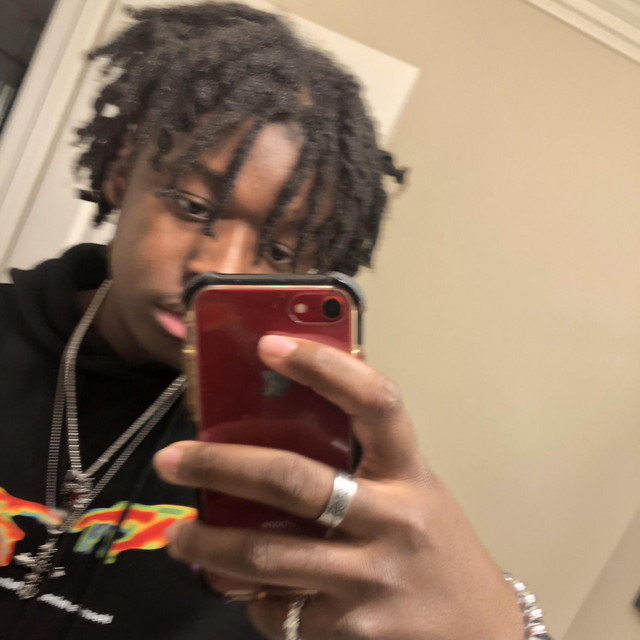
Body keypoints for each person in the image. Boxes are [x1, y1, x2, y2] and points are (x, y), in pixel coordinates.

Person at [0, 2, 551, 639]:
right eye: (193, 205)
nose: (220, 269)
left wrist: (503, 628)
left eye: (280, 252)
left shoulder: (316, 454)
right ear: (122, 173)